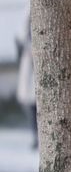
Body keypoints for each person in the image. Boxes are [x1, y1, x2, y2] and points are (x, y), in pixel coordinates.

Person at [15, 11, 35, 149]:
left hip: (35, 77)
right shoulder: (24, 39)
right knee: (31, 108)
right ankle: (35, 137)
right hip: (28, 76)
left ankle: (38, 137)